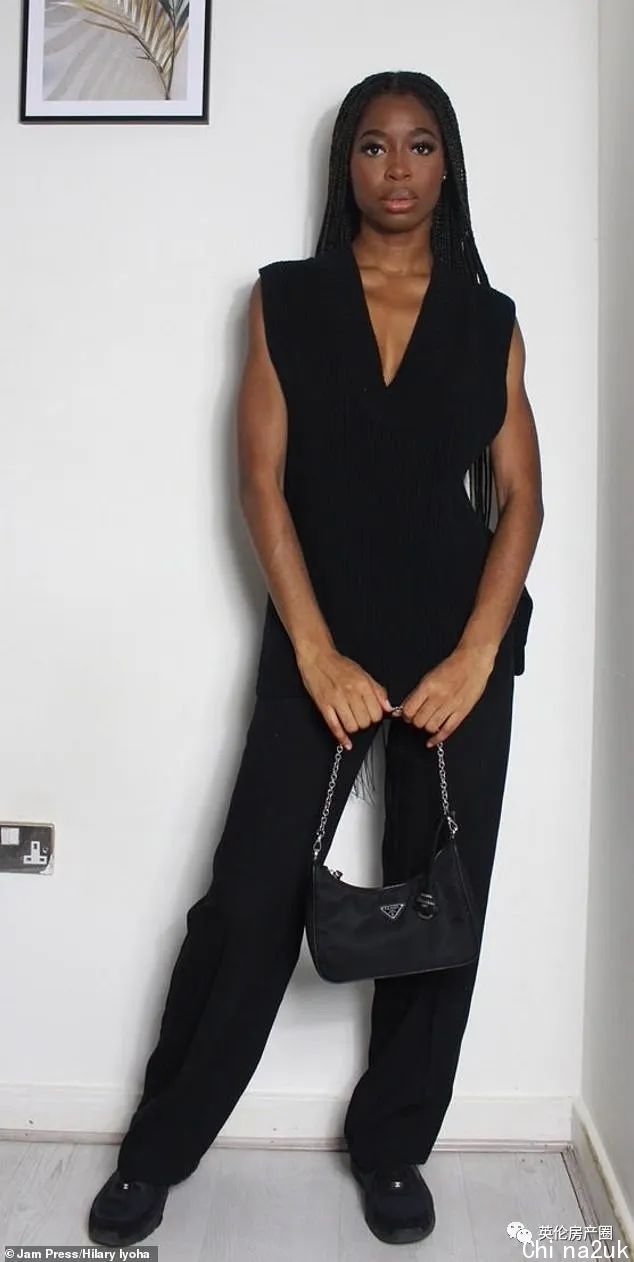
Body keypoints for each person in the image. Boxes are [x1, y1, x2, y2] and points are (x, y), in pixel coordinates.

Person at [88, 68, 543, 1248]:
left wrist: (476, 654)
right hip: (318, 639)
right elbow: (261, 485)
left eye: (421, 145)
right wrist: (314, 651)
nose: (397, 169)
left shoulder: (489, 317)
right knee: (249, 898)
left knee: (440, 898)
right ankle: (157, 1147)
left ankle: (393, 1145)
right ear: (344, 163)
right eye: (373, 146)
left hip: (458, 648)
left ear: (448, 165)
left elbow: (521, 502)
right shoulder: (285, 300)